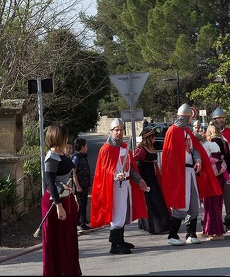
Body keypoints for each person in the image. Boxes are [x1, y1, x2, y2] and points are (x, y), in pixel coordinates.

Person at [161, 103, 221, 246]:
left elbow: (194, 149)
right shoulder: (172, 131)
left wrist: (198, 160)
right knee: (181, 204)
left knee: (194, 204)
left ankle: (191, 233)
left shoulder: (187, 132)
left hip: (190, 172)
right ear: (186, 117)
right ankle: (172, 235)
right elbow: (170, 156)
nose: (190, 121)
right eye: (189, 118)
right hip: (180, 173)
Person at [90, 118, 149, 254]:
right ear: (111, 131)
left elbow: (131, 168)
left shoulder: (124, 148)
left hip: (126, 184)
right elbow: (103, 170)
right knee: (117, 213)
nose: (119, 132)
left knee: (123, 212)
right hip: (114, 186)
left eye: (121, 130)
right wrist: (115, 175)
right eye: (116, 130)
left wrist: (139, 180)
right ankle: (115, 245)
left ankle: (120, 240)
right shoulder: (106, 149)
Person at [42, 124, 81, 275]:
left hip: (67, 199)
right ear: (59, 137)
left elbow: (69, 177)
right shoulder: (51, 158)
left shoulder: (62, 154)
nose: (67, 139)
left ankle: (69, 271)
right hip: (54, 203)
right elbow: (50, 183)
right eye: (65, 137)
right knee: (55, 241)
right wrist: (58, 205)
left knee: (68, 239)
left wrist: (74, 198)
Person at [134, 127, 170, 234]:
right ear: (149, 138)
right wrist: (141, 180)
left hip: (153, 176)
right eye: (153, 136)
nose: (155, 138)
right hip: (146, 177)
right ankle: (153, 225)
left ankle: (162, 224)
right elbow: (136, 164)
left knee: (158, 198)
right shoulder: (141, 150)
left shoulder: (151, 147)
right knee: (151, 200)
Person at [198, 121, 229, 241]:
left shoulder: (213, 143)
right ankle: (209, 229)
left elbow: (213, 159)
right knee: (213, 203)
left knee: (212, 204)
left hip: (213, 176)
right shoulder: (222, 142)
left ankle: (216, 232)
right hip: (218, 175)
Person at [72, 138, 92, 232]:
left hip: (84, 185)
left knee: (84, 204)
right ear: (82, 147)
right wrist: (77, 186)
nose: (87, 148)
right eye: (86, 146)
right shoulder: (76, 157)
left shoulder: (83, 156)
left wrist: (88, 184)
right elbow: (74, 172)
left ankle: (83, 222)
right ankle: (77, 223)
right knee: (80, 205)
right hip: (79, 186)